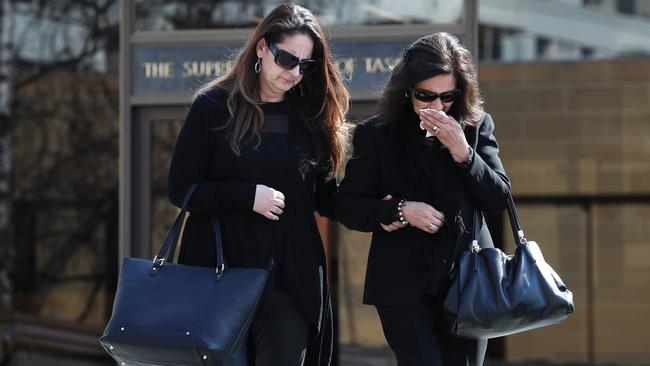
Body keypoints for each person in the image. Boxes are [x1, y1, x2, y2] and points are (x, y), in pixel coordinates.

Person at [167, 4, 349, 365]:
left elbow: (326, 198)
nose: (294, 72)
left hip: (289, 280)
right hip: (220, 274)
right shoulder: (214, 107)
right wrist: (246, 195)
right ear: (262, 48)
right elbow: (181, 188)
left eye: (305, 64)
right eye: (286, 59)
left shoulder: (309, 116)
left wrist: (387, 207)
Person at [335, 32, 510, 365]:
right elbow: (347, 206)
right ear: (406, 91)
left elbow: (497, 198)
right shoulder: (377, 134)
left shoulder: (475, 127)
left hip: (468, 279)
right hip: (402, 282)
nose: (437, 106)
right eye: (425, 95)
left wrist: (463, 152)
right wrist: (400, 210)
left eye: (448, 97)